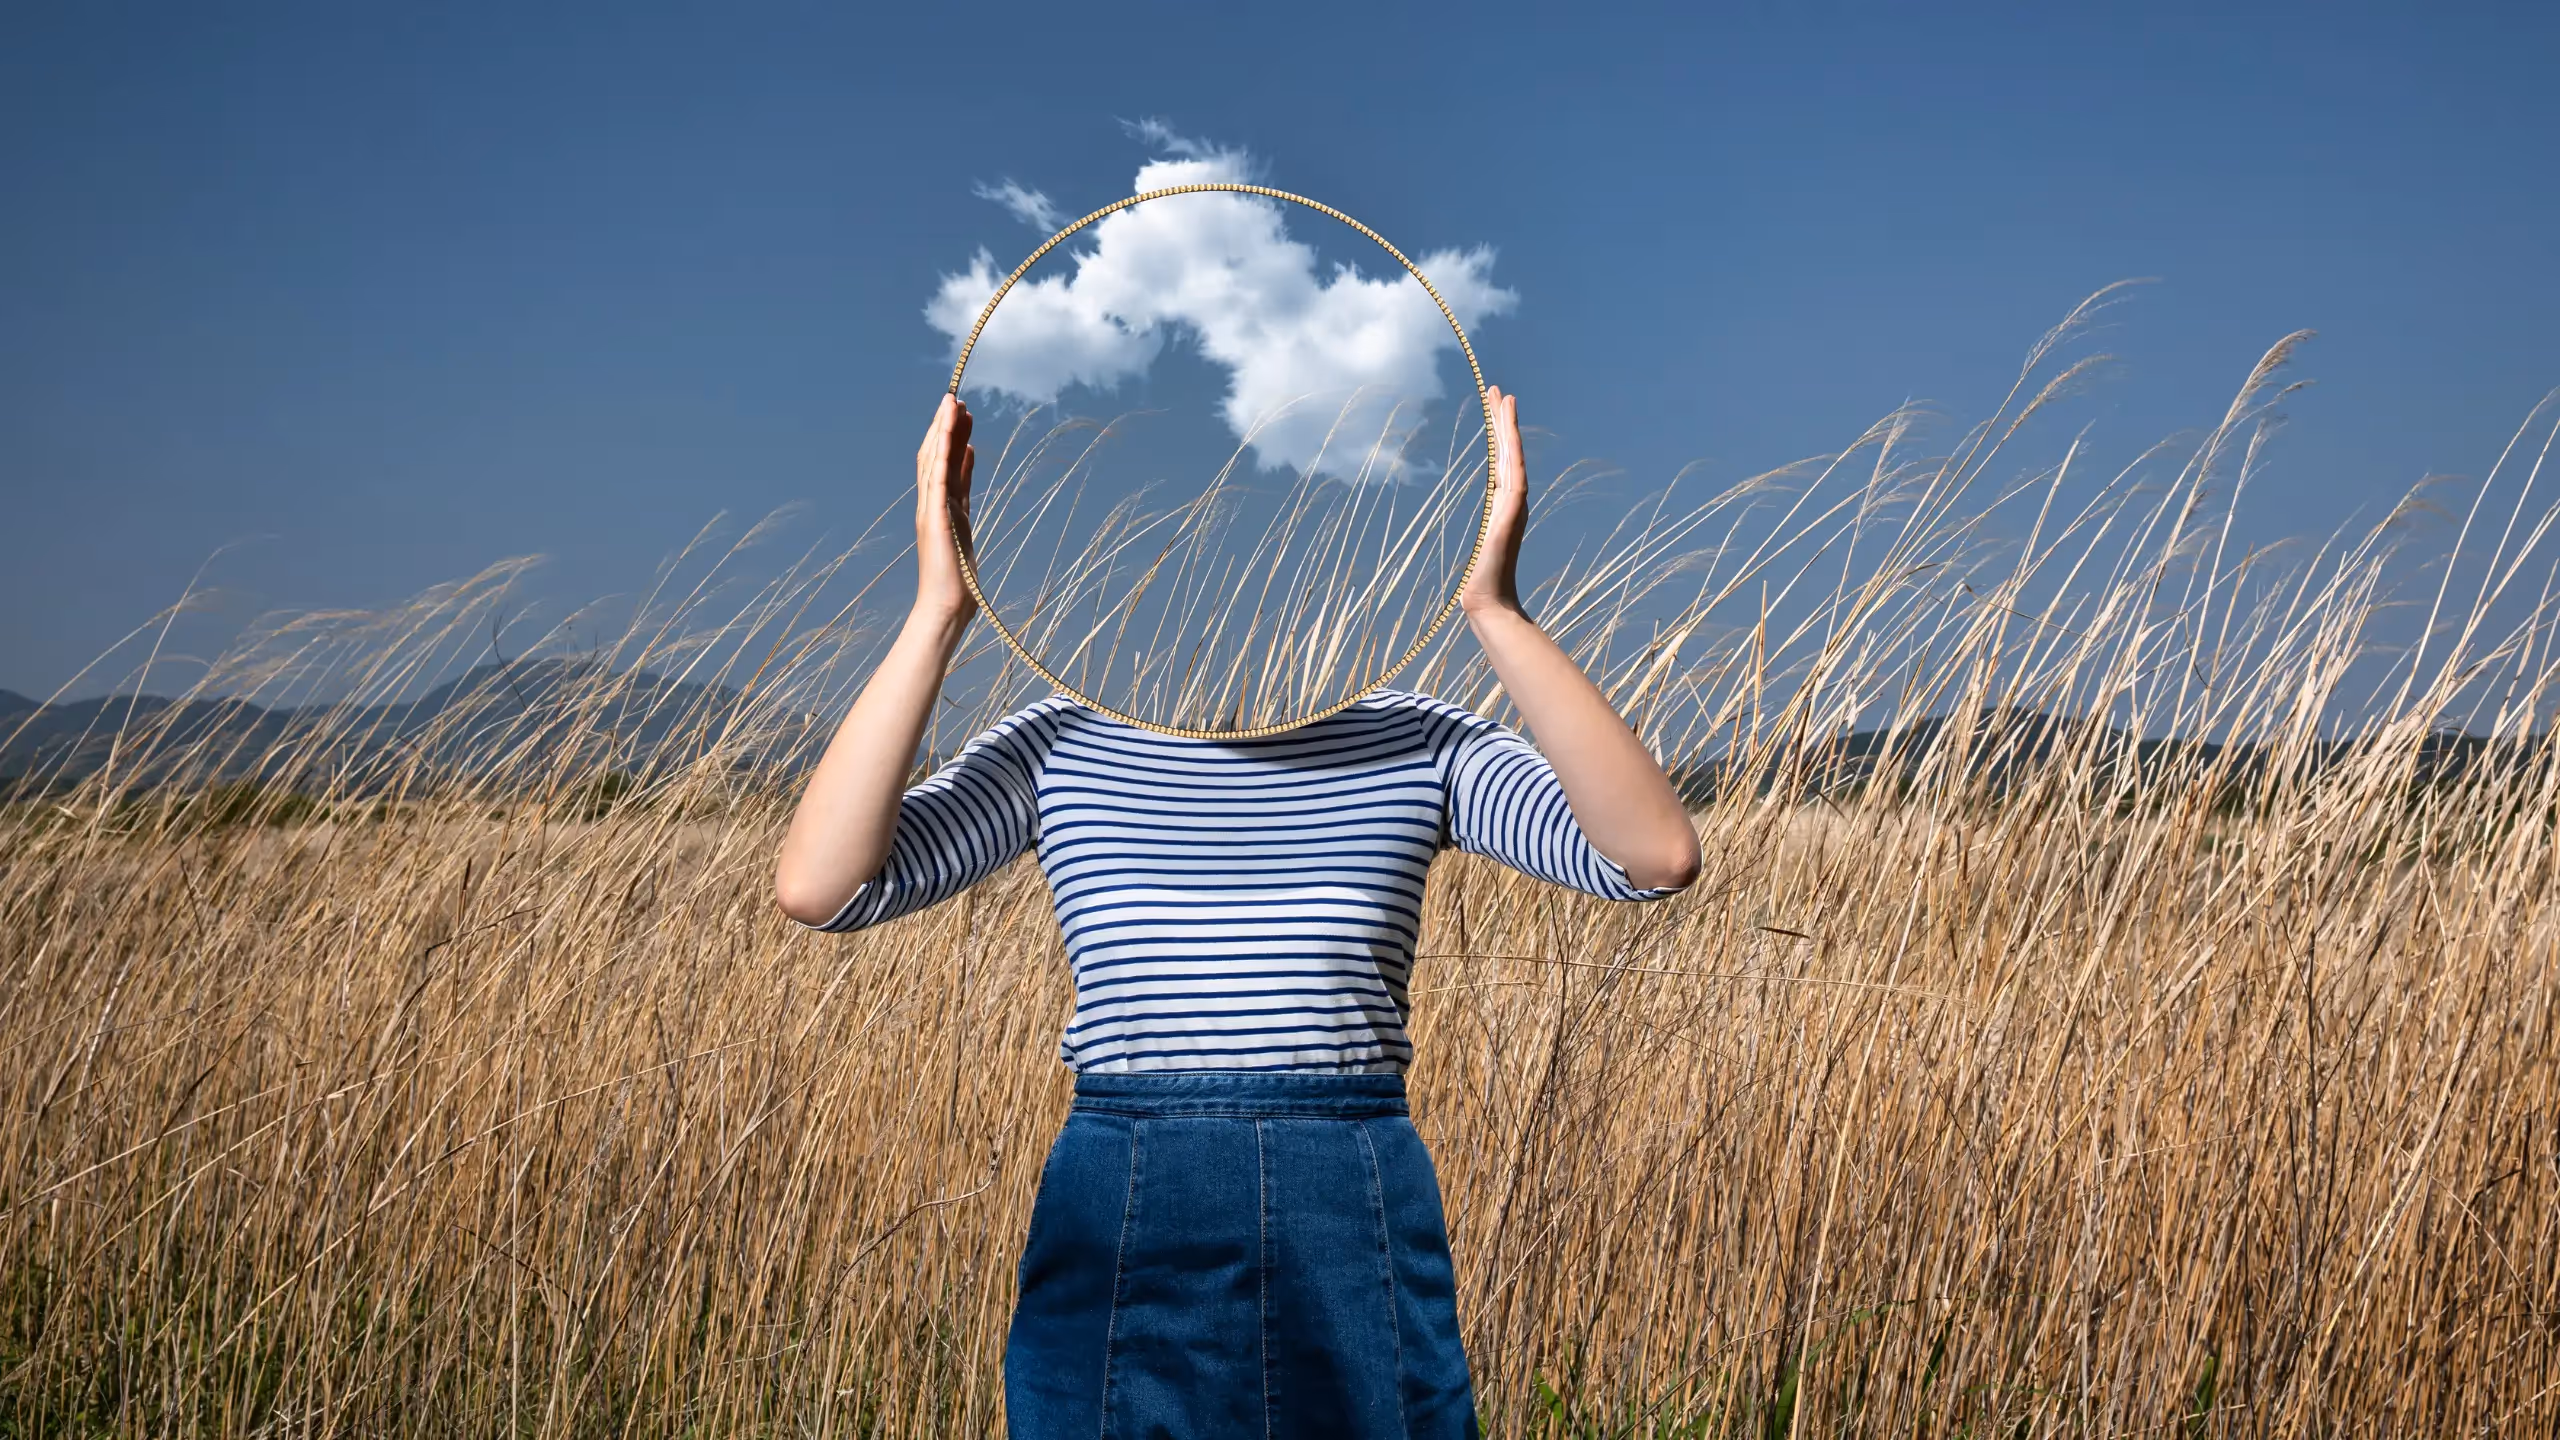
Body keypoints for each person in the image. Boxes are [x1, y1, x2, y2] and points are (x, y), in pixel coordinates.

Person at [775, 387, 1701, 1440]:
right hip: (1126, 1174)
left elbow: (1653, 858)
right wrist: (938, 610)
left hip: (1345, 1177)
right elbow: (823, 888)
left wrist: (1494, 607)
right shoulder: (1060, 747)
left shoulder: (1417, 742)